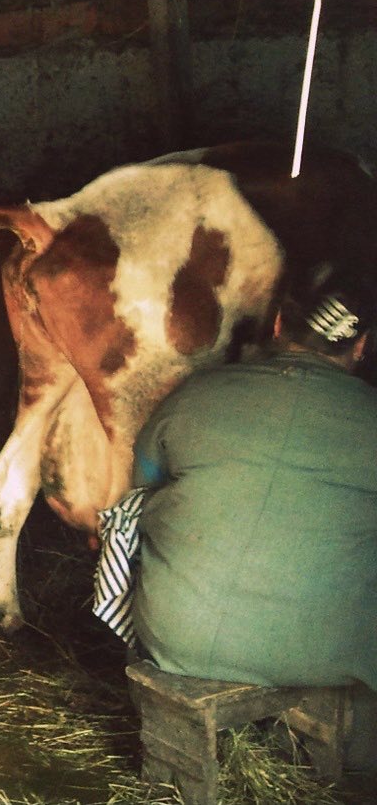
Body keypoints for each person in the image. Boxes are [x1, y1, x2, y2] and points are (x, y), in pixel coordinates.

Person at [128, 272, 377, 773]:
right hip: (325, 650)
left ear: (279, 323)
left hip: (177, 635)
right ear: (362, 345)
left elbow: (143, 483)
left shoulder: (199, 391)